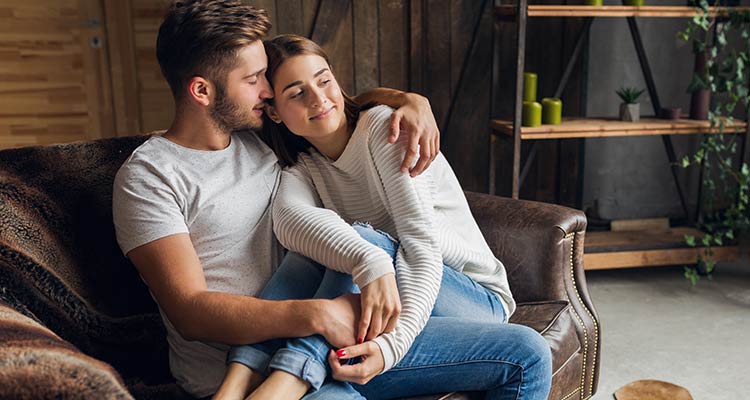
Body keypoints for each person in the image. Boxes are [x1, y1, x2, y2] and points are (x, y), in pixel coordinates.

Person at [111, 1, 441, 398]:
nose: (267, 91)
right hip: (234, 371)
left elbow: (327, 104)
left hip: (317, 350)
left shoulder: (259, 136)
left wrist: (408, 100)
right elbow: (189, 312)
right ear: (201, 90)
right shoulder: (150, 176)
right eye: (253, 80)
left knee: (519, 351)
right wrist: (317, 315)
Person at [214, 34, 553, 400]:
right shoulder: (302, 169)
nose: (319, 98)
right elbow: (289, 224)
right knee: (321, 250)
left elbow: (420, 247)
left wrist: (390, 342)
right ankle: (235, 386)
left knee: (362, 239)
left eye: (324, 80)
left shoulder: (384, 129)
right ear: (276, 111)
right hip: (392, 305)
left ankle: (286, 381)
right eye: (297, 93)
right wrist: (368, 263)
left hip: (467, 297)